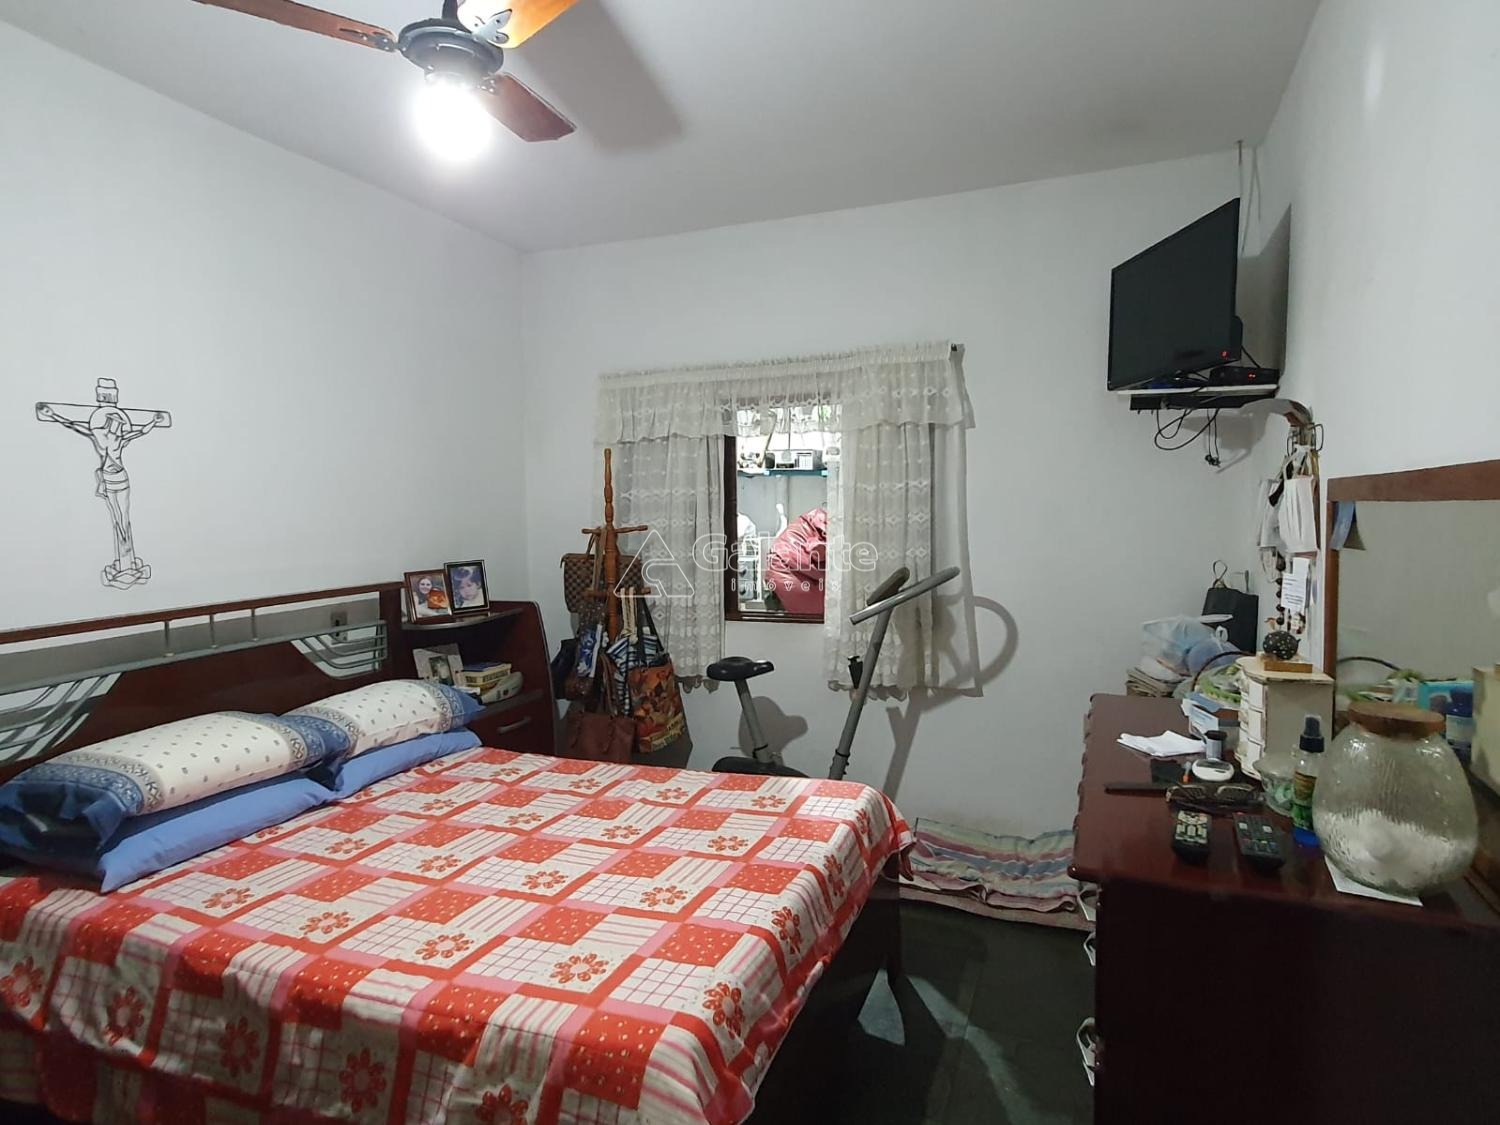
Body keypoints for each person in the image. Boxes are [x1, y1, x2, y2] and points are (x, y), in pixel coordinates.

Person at [36, 379, 168, 589]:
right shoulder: (98, 435)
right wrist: (53, 415)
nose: (118, 426)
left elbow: (141, 432)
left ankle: (127, 561)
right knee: (117, 518)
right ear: (108, 422)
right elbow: (73, 425)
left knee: (124, 519)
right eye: (115, 422)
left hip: (121, 479)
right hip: (108, 479)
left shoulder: (120, 439)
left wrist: (154, 420)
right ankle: (125, 561)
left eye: (119, 423)